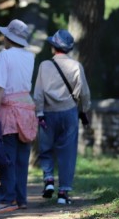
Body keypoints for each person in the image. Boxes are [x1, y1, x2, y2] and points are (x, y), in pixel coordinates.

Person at [33, 29, 91, 205]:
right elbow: (84, 93)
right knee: (67, 152)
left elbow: (38, 93)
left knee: (45, 148)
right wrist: (84, 110)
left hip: (48, 113)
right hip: (69, 112)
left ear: (53, 47)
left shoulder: (44, 66)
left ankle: (49, 179)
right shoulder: (76, 66)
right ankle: (63, 193)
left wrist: (39, 112)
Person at [0, 19, 38, 214]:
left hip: (9, 110)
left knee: (7, 156)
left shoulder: (5, 56)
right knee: (22, 158)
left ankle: (7, 199)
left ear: (9, 37)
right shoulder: (30, 57)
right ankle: (21, 197)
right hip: (27, 109)